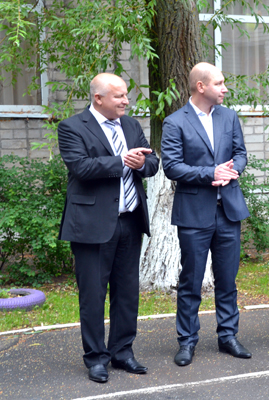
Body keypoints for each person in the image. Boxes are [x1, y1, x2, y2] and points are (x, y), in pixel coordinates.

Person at [57, 73, 159, 383]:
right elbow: (80, 167)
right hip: (92, 225)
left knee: (127, 293)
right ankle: (96, 358)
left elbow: (152, 162)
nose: (126, 101)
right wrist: (121, 161)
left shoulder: (131, 125)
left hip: (130, 221)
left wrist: (143, 164)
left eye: (126, 95)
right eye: (119, 96)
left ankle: (122, 352)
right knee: (93, 295)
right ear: (98, 98)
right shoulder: (72, 127)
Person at [161, 62, 251, 366]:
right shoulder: (175, 122)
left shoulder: (229, 116)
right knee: (191, 281)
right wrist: (210, 172)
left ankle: (228, 336)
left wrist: (233, 170)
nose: (224, 88)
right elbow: (172, 166)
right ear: (201, 86)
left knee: (227, 280)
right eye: (219, 83)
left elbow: (240, 153)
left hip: (228, 211)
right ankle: (187, 341)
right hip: (194, 213)